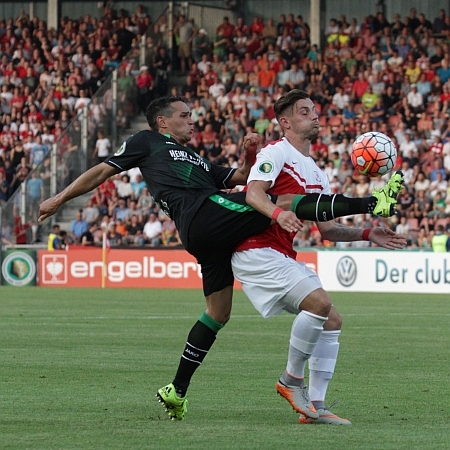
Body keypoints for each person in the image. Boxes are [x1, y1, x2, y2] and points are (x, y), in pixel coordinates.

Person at [38, 95, 402, 421]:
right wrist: (59, 199)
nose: (192, 120)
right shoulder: (146, 141)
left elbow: (239, 177)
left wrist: (248, 154)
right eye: (184, 115)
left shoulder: (195, 158)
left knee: (218, 312)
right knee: (278, 202)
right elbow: (104, 170)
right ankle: (373, 203)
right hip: (201, 213)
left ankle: (177, 390)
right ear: (162, 121)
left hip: (209, 234)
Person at [232, 90, 406, 425]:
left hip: (280, 253)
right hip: (256, 248)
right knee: (319, 303)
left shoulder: (317, 173)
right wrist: (277, 213)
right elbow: (253, 193)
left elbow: (328, 230)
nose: (314, 116)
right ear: (285, 122)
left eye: (314, 110)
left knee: (331, 320)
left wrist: (368, 233)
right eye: (304, 112)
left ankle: (315, 406)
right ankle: (290, 380)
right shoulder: (275, 152)